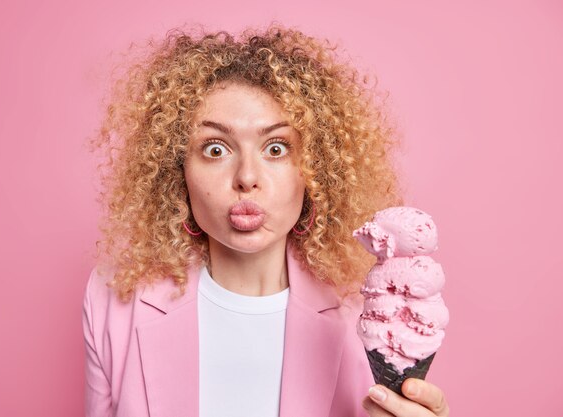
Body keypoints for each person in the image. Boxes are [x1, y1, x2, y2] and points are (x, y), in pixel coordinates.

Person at [83, 24, 450, 417]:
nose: (246, 177)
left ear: (314, 169)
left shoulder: (373, 317)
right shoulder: (112, 300)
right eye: (215, 148)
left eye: (276, 148)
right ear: (177, 171)